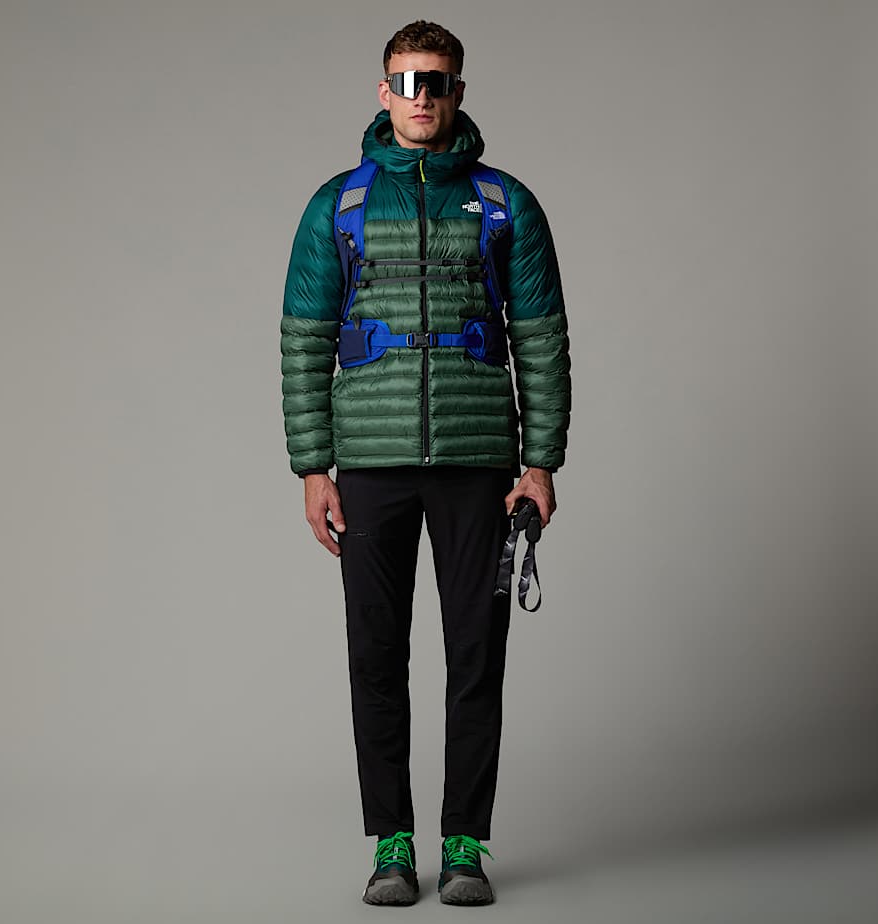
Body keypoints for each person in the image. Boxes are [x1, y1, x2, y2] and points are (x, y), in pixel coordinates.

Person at [280, 20, 570, 906]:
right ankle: (394, 843)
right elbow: (305, 340)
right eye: (406, 82)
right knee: (375, 653)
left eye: (435, 82)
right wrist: (313, 467)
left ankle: (466, 840)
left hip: (479, 461)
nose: (421, 98)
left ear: (458, 92)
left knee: (476, 653)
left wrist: (540, 463)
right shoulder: (337, 206)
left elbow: (541, 340)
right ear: (383, 92)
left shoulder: (505, 203)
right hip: (368, 464)